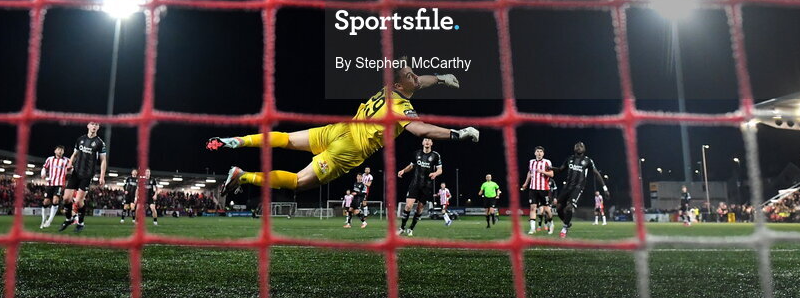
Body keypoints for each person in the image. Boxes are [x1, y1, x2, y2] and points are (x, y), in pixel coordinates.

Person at [207, 66, 478, 194]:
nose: (416, 78)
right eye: (410, 76)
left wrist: (441, 78)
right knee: (299, 183)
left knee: (288, 140)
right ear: (398, 85)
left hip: (340, 129)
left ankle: (237, 141)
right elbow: (419, 130)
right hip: (348, 149)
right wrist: (457, 134)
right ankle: (244, 176)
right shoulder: (400, 106)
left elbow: (422, 82)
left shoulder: (387, 90)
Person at [59, 121, 107, 233]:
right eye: (92, 124)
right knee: (66, 198)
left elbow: (103, 160)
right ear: (88, 126)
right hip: (76, 172)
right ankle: (69, 219)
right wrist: (70, 163)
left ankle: (80, 223)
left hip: (87, 175)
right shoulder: (80, 139)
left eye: (96, 125)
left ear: (98, 127)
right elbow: (74, 154)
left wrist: (102, 176)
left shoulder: (100, 143)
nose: (94, 126)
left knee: (79, 201)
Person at [552, 141, 607, 239]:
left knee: (569, 207)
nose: (579, 147)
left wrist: (604, 188)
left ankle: (564, 228)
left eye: (581, 146)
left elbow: (596, 174)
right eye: (577, 146)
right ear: (574, 148)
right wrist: (549, 168)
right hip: (567, 188)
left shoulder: (588, 161)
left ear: (584, 149)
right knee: (558, 208)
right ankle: (567, 223)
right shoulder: (569, 159)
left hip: (578, 188)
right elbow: (560, 170)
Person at [397, 137, 442, 235]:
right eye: (425, 140)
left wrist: (435, 173)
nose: (427, 142)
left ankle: (411, 228)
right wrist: (403, 170)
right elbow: (411, 165)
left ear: (431, 143)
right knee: (408, 206)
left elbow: (440, 170)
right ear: (422, 142)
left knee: (419, 209)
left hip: (427, 186)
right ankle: (402, 227)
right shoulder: (417, 153)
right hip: (415, 184)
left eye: (429, 140)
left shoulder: (436, 155)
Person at [520, 145, 554, 235]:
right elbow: (530, 173)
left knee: (547, 209)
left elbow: (552, 174)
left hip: (544, 189)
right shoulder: (531, 162)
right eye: (537, 151)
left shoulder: (547, 162)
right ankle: (532, 228)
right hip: (533, 188)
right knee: (533, 207)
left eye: (541, 152)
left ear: (543, 153)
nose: (539, 153)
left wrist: (542, 172)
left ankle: (551, 224)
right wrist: (526, 183)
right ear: (535, 153)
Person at [40, 145, 69, 229]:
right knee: (46, 202)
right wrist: (43, 173)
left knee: (55, 200)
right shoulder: (50, 159)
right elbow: (44, 167)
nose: (60, 151)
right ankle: (43, 220)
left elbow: (71, 169)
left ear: (63, 152)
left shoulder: (66, 160)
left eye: (62, 150)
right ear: (55, 151)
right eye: (59, 150)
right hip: (50, 183)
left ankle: (49, 220)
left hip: (59, 183)